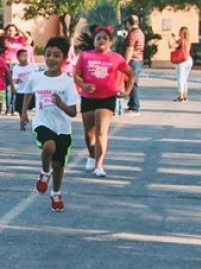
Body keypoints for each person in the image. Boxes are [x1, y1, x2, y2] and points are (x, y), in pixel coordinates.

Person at [23, 37, 79, 211]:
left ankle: (56, 193)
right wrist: (23, 112)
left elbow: (73, 112)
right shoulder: (37, 77)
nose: (51, 59)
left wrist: (61, 104)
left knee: (59, 166)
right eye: (48, 54)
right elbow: (27, 93)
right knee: (48, 147)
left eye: (56, 55)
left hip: (63, 128)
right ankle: (44, 172)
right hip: (42, 122)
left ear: (64, 59)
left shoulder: (67, 82)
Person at [74, 24, 135, 178]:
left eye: (105, 38)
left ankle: (99, 165)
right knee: (89, 134)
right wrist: (84, 85)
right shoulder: (85, 56)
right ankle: (91, 155)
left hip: (107, 98)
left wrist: (126, 91)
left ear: (110, 42)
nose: (102, 40)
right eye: (98, 38)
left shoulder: (117, 58)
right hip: (88, 98)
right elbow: (76, 76)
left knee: (101, 132)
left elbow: (131, 75)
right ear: (94, 41)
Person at [11, 48, 37, 131]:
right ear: (18, 57)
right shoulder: (16, 68)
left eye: (26, 56)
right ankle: (23, 120)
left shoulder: (33, 66)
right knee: (19, 108)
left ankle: (23, 118)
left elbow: (37, 77)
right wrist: (14, 86)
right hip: (20, 90)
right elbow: (14, 79)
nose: (25, 57)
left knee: (26, 107)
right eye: (22, 56)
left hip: (30, 91)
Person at [123, 15, 145, 113]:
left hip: (133, 61)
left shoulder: (132, 34)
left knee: (132, 83)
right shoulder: (140, 33)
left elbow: (130, 49)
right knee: (133, 82)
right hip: (139, 60)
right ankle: (132, 105)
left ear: (129, 23)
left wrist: (125, 62)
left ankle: (134, 107)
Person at [169, 26, 192, 102]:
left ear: (182, 33)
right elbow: (181, 46)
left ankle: (180, 96)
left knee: (180, 79)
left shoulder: (181, 40)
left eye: (179, 31)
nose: (178, 33)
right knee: (185, 79)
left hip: (182, 61)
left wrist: (169, 39)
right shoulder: (187, 40)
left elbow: (171, 46)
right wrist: (175, 38)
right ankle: (185, 96)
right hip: (188, 59)